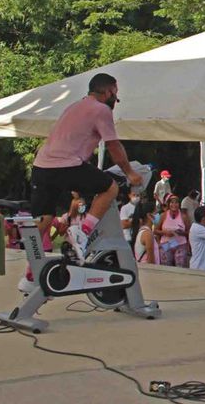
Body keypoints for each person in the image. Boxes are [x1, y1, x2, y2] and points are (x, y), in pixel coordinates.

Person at [22, 73, 143, 292]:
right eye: (115, 95)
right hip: (66, 165)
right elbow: (114, 146)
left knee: (44, 220)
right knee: (110, 188)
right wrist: (130, 173)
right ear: (108, 92)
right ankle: (82, 232)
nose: (115, 101)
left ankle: (30, 276)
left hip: (42, 166)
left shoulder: (73, 107)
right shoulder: (101, 110)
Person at [157, 194, 190, 267]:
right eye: (172, 202)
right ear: (168, 204)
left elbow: (189, 232)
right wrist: (165, 232)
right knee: (166, 266)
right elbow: (155, 230)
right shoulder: (163, 215)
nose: (174, 204)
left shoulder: (184, 216)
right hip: (166, 244)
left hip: (180, 244)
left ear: (179, 204)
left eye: (176, 202)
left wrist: (181, 233)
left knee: (180, 266)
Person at [132, 200, 160, 265]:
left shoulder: (144, 231)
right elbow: (151, 262)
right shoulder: (147, 234)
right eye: (156, 212)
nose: (158, 215)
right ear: (149, 215)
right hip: (148, 272)